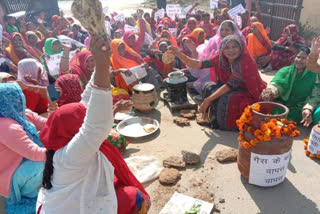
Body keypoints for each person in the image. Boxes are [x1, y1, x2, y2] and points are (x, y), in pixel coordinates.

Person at [36, 35, 149, 214]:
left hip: (77, 200)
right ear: (75, 128)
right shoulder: (70, 156)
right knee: (135, 198)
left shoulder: (63, 143)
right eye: (83, 119)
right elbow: (96, 126)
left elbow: (86, 98)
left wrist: (99, 62)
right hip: (78, 209)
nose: (85, 120)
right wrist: (103, 65)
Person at [168, 35, 266, 130]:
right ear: (222, 49)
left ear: (241, 47)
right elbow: (198, 64)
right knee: (208, 87)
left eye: (235, 46)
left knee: (228, 98)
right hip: (230, 85)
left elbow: (230, 84)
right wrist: (178, 54)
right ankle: (210, 117)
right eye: (227, 47)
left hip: (247, 90)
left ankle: (223, 125)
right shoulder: (220, 58)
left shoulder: (244, 61)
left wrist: (207, 101)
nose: (231, 50)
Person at [0, 83, 46, 214]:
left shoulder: (22, 114)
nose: (18, 100)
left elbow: (47, 124)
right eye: (14, 97)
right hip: (8, 176)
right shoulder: (6, 126)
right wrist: (64, 152)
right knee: (44, 163)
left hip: (20, 164)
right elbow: (35, 154)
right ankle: (28, 198)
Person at [261, 47, 320, 127]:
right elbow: (276, 84)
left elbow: (315, 95)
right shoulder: (285, 70)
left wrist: (308, 108)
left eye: (304, 58)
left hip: (300, 107)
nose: (299, 60)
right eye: (298, 57)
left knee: (308, 115)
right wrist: (270, 91)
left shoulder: (314, 75)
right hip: (281, 105)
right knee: (267, 108)